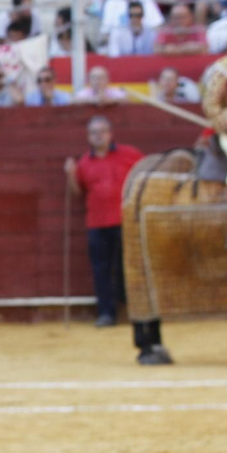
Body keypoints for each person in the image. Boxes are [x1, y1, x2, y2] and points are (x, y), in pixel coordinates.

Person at [64, 116, 142, 329]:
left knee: (128, 268)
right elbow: (77, 192)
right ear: (89, 137)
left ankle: (135, 311)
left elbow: (143, 177)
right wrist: (71, 175)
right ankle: (106, 313)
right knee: (101, 270)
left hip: (125, 221)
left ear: (110, 133)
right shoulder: (83, 163)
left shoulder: (130, 154)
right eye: (94, 132)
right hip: (97, 223)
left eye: (102, 131)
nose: (99, 135)